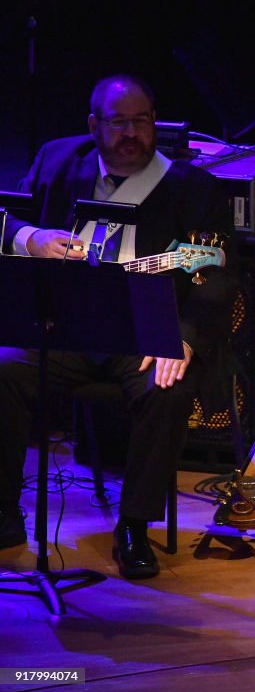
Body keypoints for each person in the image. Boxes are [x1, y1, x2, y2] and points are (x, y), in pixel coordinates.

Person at [0, 74, 234, 579]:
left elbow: (215, 275)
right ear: (93, 125)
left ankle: (133, 524)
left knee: (165, 391)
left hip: (146, 339)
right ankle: (2, 512)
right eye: (119, 122)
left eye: (142, 120)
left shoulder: (192, 188)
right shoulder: (57, 160)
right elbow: (5, 218)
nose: (132, 132)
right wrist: (32, 237)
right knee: (4, 368)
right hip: (65, 330)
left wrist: (186, 339)